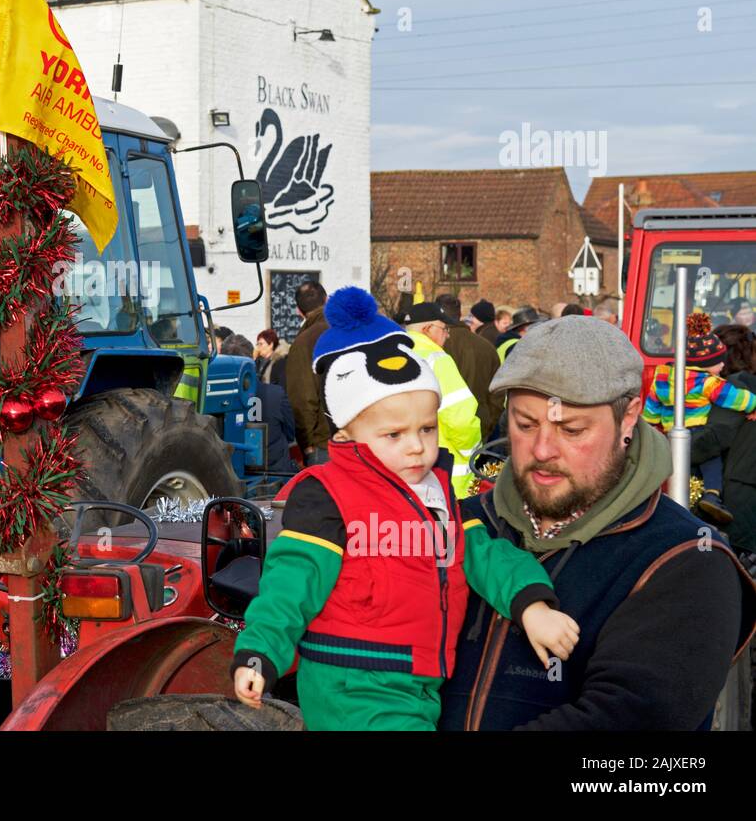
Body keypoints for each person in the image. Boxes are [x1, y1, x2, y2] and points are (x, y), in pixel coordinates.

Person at [231, 287, 578, 730]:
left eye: (427, 429)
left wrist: (532, 605)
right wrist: (260, 653)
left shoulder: (434, 492)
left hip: (420, 681)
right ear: (348, 434)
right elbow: (291, 582)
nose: (416, 446)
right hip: (353, 681)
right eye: (394, 435)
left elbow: (483, 553)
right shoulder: (327, 494)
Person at [440, 315, 756, 730]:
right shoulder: (462, 525)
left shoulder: (687, 558)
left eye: (571, 429)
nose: (542, 449)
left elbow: (627, 717)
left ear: (628, 420)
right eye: (524, 424)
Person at [641, 313, 756, 524]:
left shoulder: (663, 377)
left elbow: (651, 407)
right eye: (717, 363)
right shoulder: (709, 383)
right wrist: (753, 404)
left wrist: (650, 423)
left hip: (671, 431)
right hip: (695, 429)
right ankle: (712, 495)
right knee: (711, 463)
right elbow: (737, 399)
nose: (721, 367)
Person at [401, 301, 482, 497]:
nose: (447, 334)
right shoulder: (438, 360)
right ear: (428, 329)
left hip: (404, 467)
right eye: (444, 329)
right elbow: (459, 417)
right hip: (445, 472)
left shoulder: (395, 354)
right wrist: (472, 451)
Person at [224, 334, 297, 475]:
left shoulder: (215, 402)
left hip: (231, 477)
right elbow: (290, 433)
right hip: (275, 475)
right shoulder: (276, 394)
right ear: (252, 358)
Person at [436, 294, 505, 439]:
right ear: (460, 314)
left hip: (441, 428)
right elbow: (498, 392)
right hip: (479, 425)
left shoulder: (433, 347)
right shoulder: (487, 347)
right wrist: (489, 422)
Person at [284, 280, 331, 465]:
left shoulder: (304, 341)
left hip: (324, 444)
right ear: (326, 300)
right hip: (363, 439)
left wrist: (307, 444)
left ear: (298, 311)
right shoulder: (353, 330)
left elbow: (302, 399)